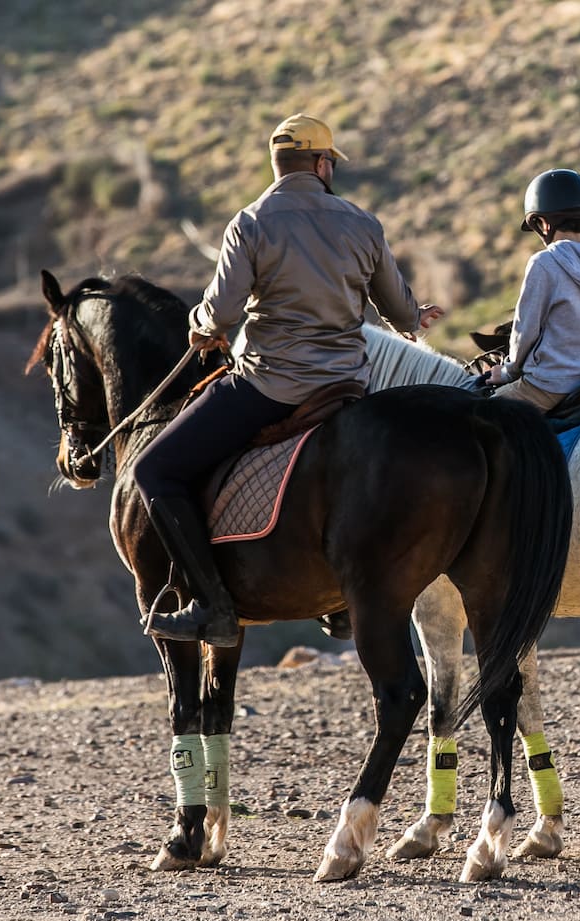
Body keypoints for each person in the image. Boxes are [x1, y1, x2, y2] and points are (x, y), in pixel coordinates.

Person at [131, 113, 444, 646]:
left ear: (279, 166)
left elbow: (222, 311)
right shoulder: (361, 222)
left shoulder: (251, 223)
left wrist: (200, 326)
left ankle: (212, 605)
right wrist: (416, 318)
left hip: (269, 386)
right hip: (348, 384)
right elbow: (399, 310)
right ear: (323, 164)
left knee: (154, 470)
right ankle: (348, 600)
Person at [476, 169, 580, 414]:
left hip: (551, 386)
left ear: (542, 223)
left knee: (481, 418)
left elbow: (525, 331)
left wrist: (509, 370)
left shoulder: (544, 263)